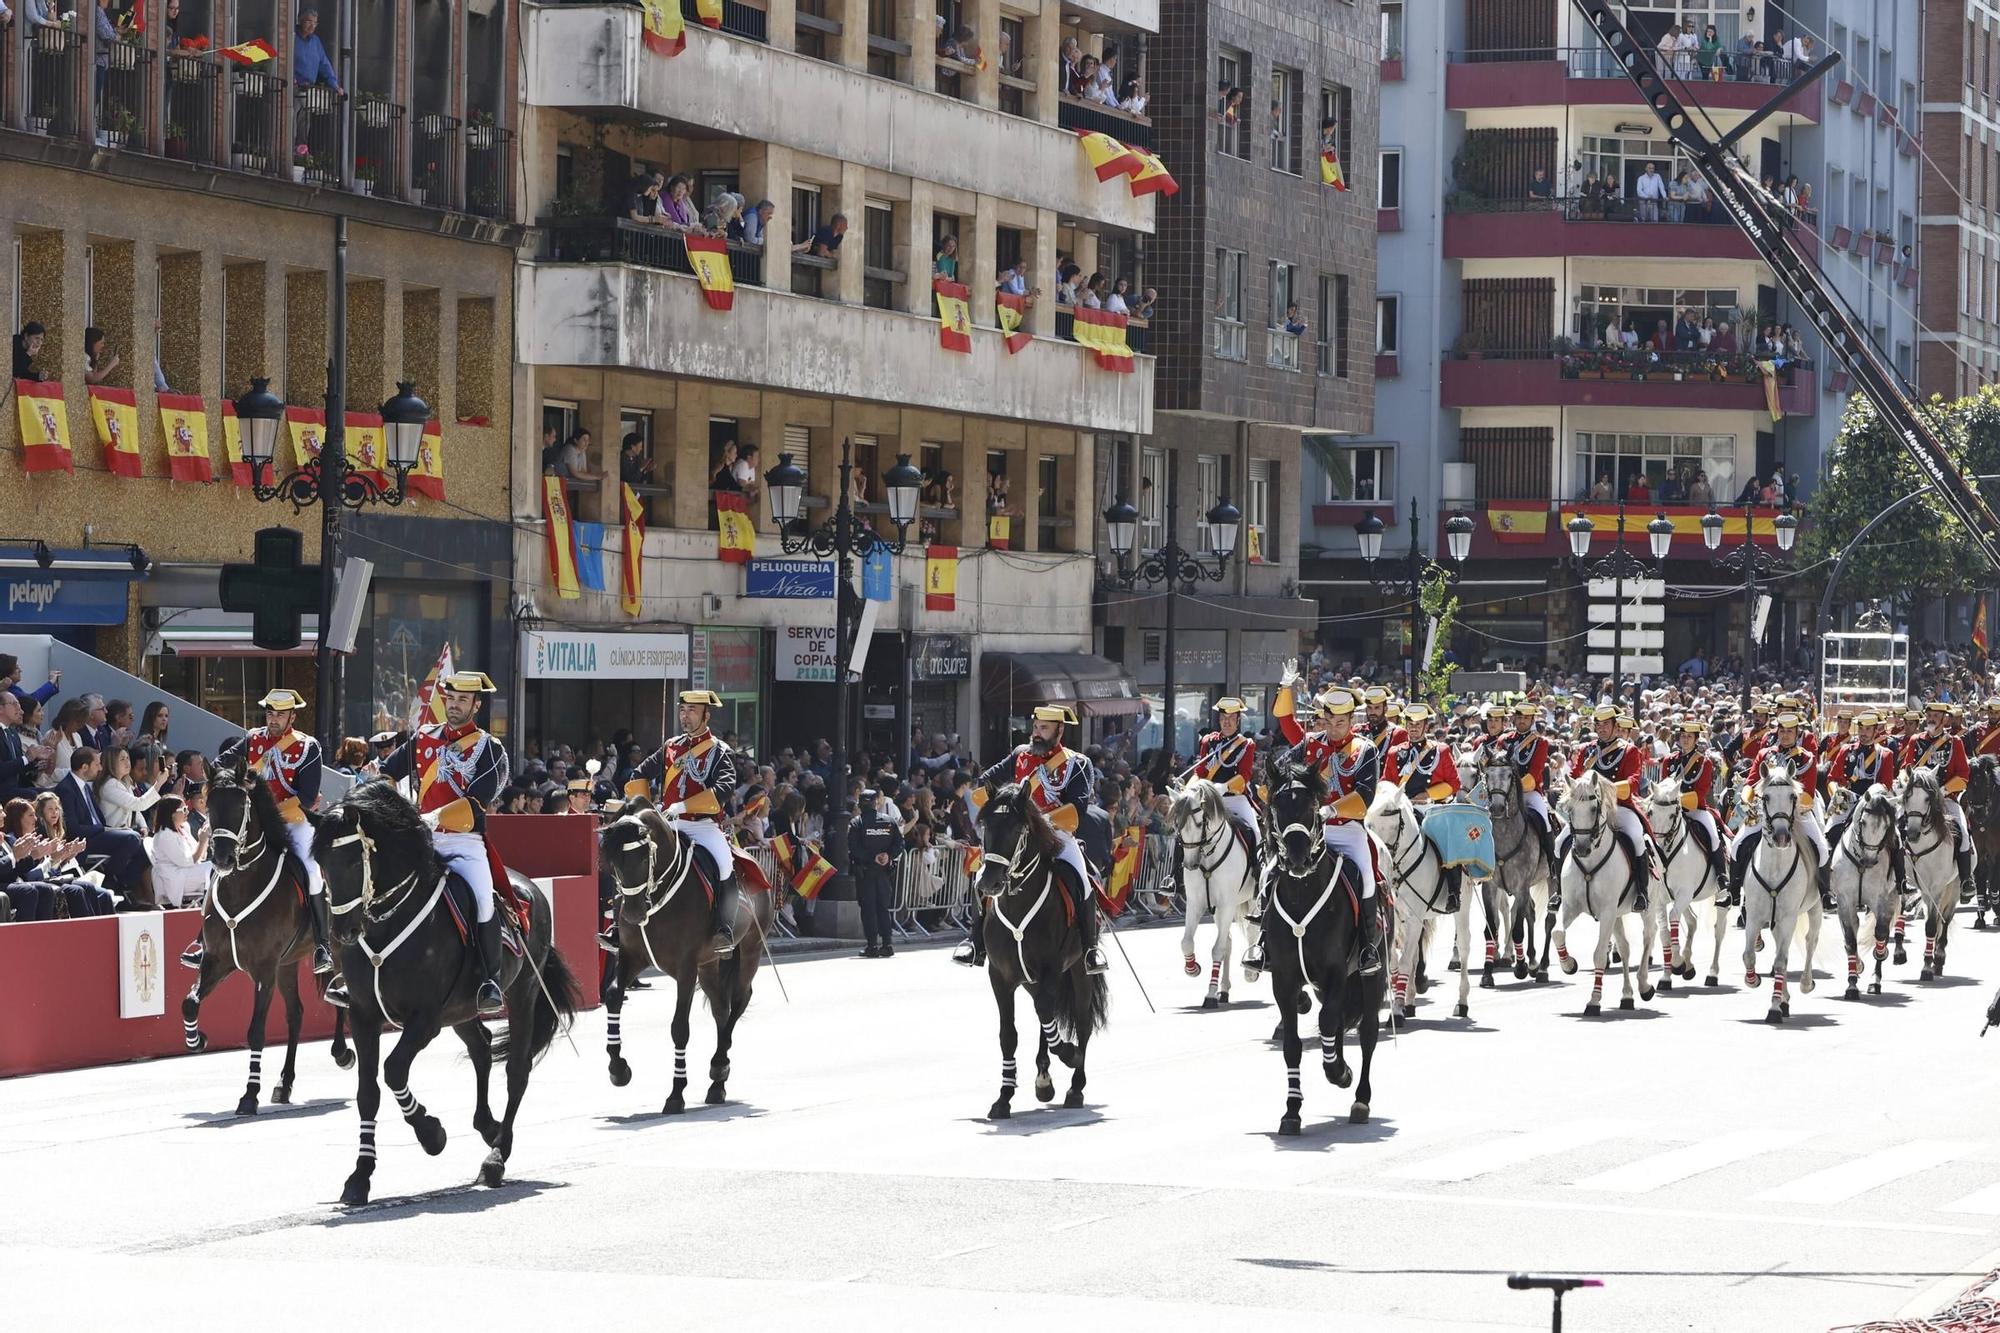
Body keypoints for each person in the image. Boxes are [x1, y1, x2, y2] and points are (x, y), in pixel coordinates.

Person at [376, 671, 510, 1014]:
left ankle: (489, 979)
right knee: (375, 886)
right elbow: (387, 772)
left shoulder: (488, 748)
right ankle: (357, 969)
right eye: (451, 699)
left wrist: (436, 817)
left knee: (483, 899)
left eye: (463, 700)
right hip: (421, 839)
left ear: (476, 704)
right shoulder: (423, 737)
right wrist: (395, 805)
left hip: (463, 842)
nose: (454, 705)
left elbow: (478, 799)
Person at [180, 688, 334, 968]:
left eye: (279, 715)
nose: (273, 719)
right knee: (220, 865)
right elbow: (219, 765)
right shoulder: (253, 739)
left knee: (312, 872)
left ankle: (323, 945)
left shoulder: (308, 746)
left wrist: (271, 812)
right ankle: (203, 941)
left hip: (293, 822)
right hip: (254, 823)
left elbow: (309, 796)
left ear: (292, 717)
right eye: (270, 713)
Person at [953, 704, 1106, 975]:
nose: (1036, 733)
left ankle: (1090, 949)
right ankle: (975, 942)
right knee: (983, 875)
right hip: (1018, 832)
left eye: (1043, 728)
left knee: (1081, 879)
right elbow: (986, 784)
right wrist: (1002, 802)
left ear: (1059, 730)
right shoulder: (1019, 755)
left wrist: (1041, 821)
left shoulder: (1077, 763)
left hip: (1056, 833)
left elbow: (1076, 811)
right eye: (1035, 727)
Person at [1250, 680, 1384, 977]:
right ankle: (1263, 941)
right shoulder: (1311, 745)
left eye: (1341, 722)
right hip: (1307, 832)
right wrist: (1271, 791)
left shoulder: (1365, 750)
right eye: (1331, 721)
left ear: (1351, 720)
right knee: (1271, 870)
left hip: (1347, 830)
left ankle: (1366, 947)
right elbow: (1278, 773)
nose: (1335, 728)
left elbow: (1364, 799)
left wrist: (1332, 809)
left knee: (1366, 877)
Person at [619, 689, 745, 958]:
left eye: (692, 712)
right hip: (667, 823)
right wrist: (647, 809)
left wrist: (685, 806)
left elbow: (724, 787)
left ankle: (724, 929)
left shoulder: (720, 752)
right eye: (682, 711)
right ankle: (622, 925)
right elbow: (639, 774)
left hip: (701, 824)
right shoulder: (670, 747)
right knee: (632, 857)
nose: (685, 717)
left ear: (706, 715)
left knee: (725, 865)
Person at [1728, 709, 1837, 911]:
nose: (1785, 735)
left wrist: (1792, 810)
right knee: (1737, 844)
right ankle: (1733, 891)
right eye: (1781, 730)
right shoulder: (1764, 754)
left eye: (1789, 731)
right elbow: (1751, 782)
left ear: (1797, 733)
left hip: (1799, 813)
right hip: (1766, 811)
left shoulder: (1806, 758)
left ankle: (1825, 893)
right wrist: (1745, 801)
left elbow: (1809, 793)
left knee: (1821, 847)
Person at [1558, 705, 1654, 912]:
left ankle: (1641, 892)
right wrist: (1569, 785)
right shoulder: (1587, 750)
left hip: (1619, 807)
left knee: (1637, 839)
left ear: (1616, 726)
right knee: (1559, 842)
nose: (1600, 729)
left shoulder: (1629, 750)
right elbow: (1575, 775)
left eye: (1605, 725)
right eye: (1597, 725)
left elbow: (1633, 783)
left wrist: (1603, 789)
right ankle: (1559, 892)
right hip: (1589, 808)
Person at [1173, 697, 1261, 891]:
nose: (1226, 722)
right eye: (1223, 718)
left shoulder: (1246, 744)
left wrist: (1224, 787)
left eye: (1231, 718)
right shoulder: (1208, 742)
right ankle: (1173, 877)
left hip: (1235, 799)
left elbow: (1244, 776)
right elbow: (1200, 772)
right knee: (1184, 827)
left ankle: (1258, 879)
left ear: (1238, 720)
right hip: (1209, 799)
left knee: (1255, 832)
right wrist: (1189, 791)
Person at [1382, 703, 1465, 909]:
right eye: (1410, 723)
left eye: (1418, 724)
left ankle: (1454, 892)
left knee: (1447, 840)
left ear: (1426, 726)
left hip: (1431, 807)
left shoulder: (1441, 750)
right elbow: (1386, 782)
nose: (1413, 728)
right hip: (1403, 807)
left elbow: (1454, 785)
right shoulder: (1394, 753)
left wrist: (1427, 794)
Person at [56, 747, 154, 904]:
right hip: (85, 840)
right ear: (84, 767)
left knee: (146, 849)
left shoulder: (84, 785)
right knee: (131, 838)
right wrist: (102, 828)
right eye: (97, 764)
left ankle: (124, 884)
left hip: (98, 833)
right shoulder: (66, 788)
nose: (100, 768)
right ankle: (110, 881)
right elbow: (73, 828)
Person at [848, 789, 903, 958]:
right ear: (876, 802)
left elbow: (854, 848)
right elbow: (899, 844)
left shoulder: (857, 823)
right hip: (884, 872)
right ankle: (887, 945)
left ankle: (872, 946)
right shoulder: (889, 821)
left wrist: (873, 857)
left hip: (866, 872)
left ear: (859, 804)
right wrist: (888, 856)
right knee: (883, 908)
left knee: (868, 909)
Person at [149, 794, 211, 908]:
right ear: (172, 813)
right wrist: (201, 841)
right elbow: (186, 862)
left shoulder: (183, 829)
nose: (187, 812)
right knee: (214, 870)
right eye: (183, 809)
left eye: (187, 808)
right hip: (175, 878)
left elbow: (200, 857)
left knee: (218, 868)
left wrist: (204, 839)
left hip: (188, 872)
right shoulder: (164, 835)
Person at [293, 6, 342, 95]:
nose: (312, 26)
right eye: (309, 21)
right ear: (300, 20)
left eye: (315, 23)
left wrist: (335, 85)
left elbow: (325, 64)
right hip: (293, 87)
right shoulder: (292, 37)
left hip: (310, 89)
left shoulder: (315, 41)